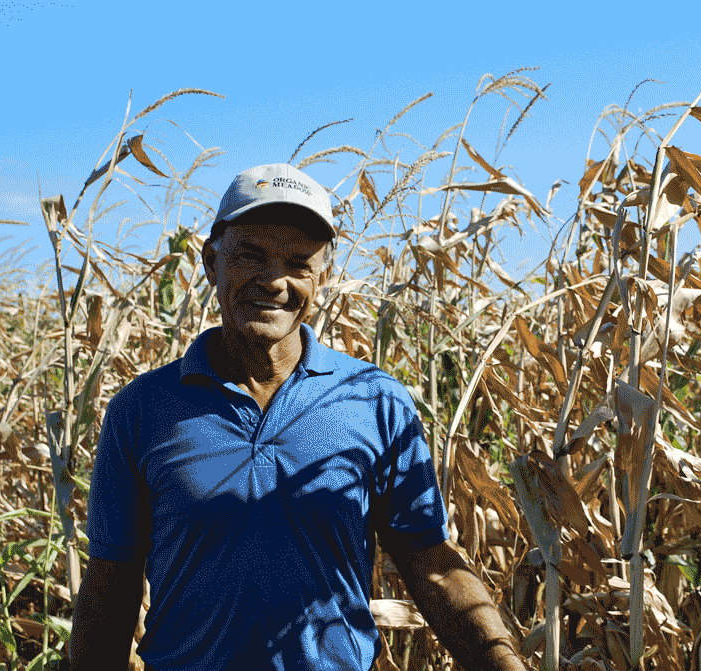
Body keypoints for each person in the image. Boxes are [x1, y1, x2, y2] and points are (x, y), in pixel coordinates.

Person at [66, 164, 527, 671]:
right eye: (250, 255)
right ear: (209, 262)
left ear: (321, 277)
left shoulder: (375, 401)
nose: (274, 280)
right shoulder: (142, 410)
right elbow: (111, 585)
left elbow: (430, 564)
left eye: (298, 263)